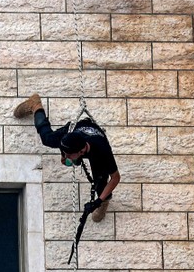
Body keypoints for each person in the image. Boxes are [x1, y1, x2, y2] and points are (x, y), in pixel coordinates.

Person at [14, 94, 120, 222]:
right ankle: (35, 105)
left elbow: (115, 178)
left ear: (81, 152)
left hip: (95, 149)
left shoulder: (102, 151)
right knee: (48, 139)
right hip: (77, 130)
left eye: (69, 154)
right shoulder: (69, 137)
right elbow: (66, 147)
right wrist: (64, 155)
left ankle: (104, 203)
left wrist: (98, 201)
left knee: (100, 183)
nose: (66, 158)